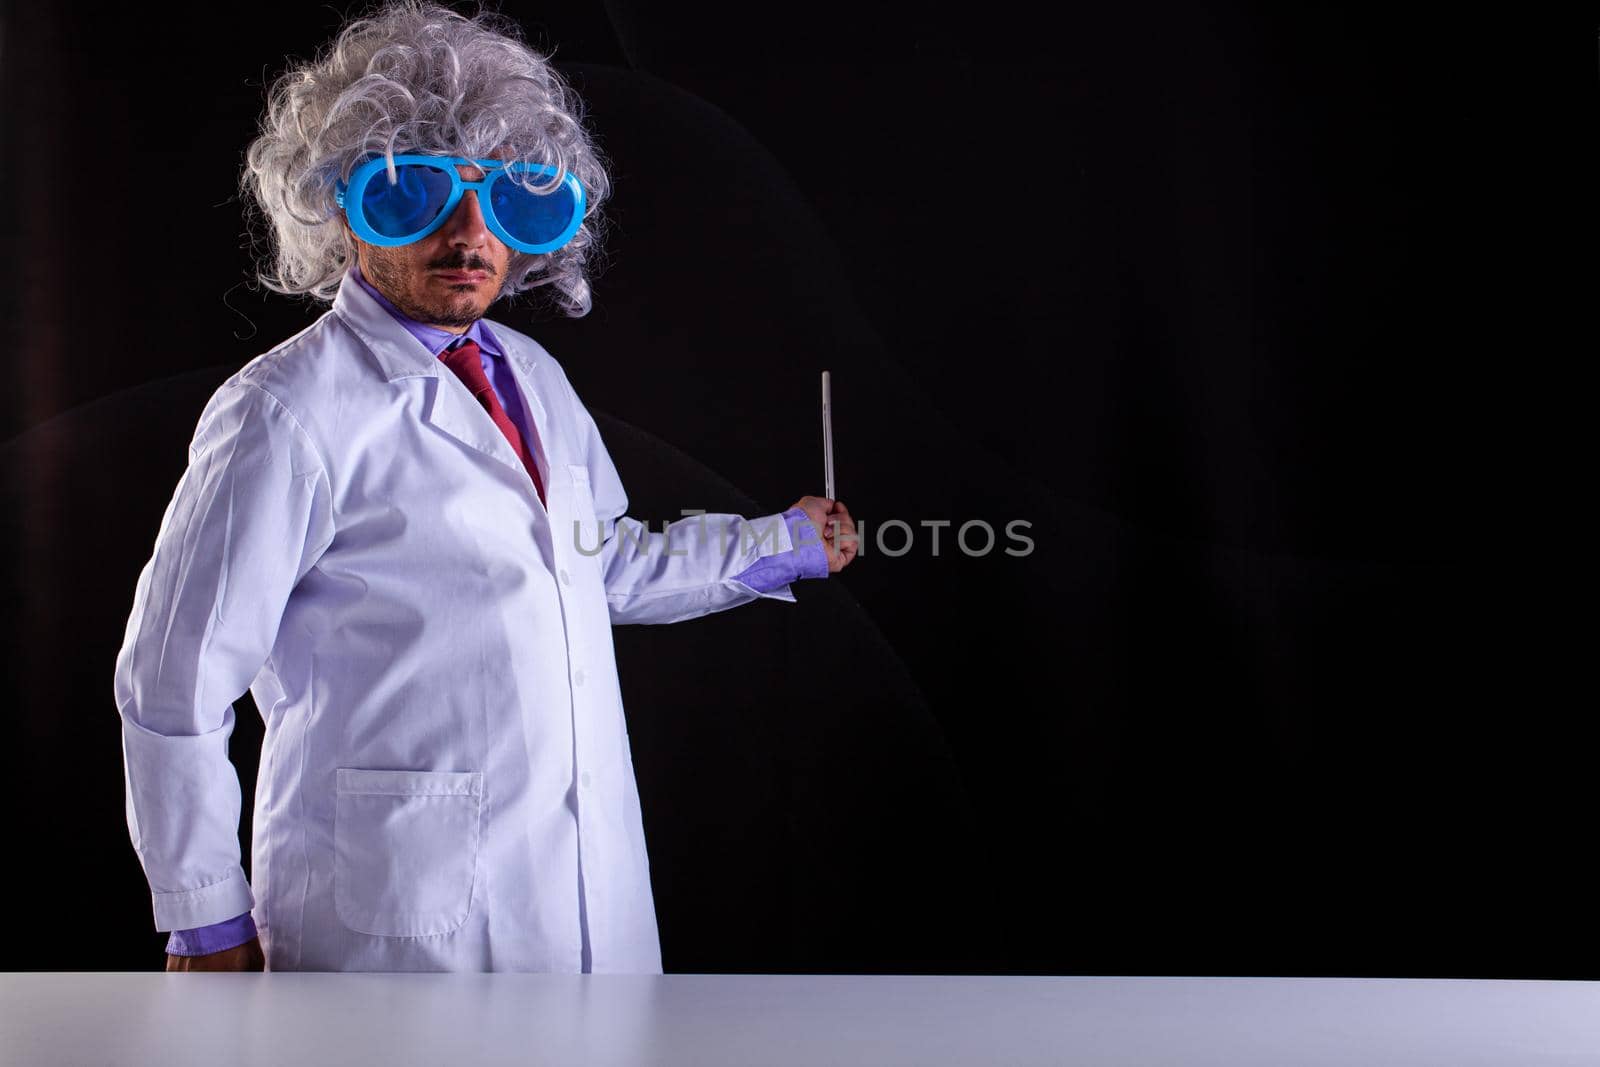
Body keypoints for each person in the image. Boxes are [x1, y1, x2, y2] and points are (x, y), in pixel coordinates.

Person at [113, 0, 857, 974]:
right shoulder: (284, 412)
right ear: (341, 204)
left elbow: (604, 563)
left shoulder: (532, 375)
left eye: (506, 195)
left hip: (582, 898)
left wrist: (781, 544)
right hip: (391, 924)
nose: (469, 233)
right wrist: (205, 915)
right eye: (416, 194)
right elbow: (173, 680)